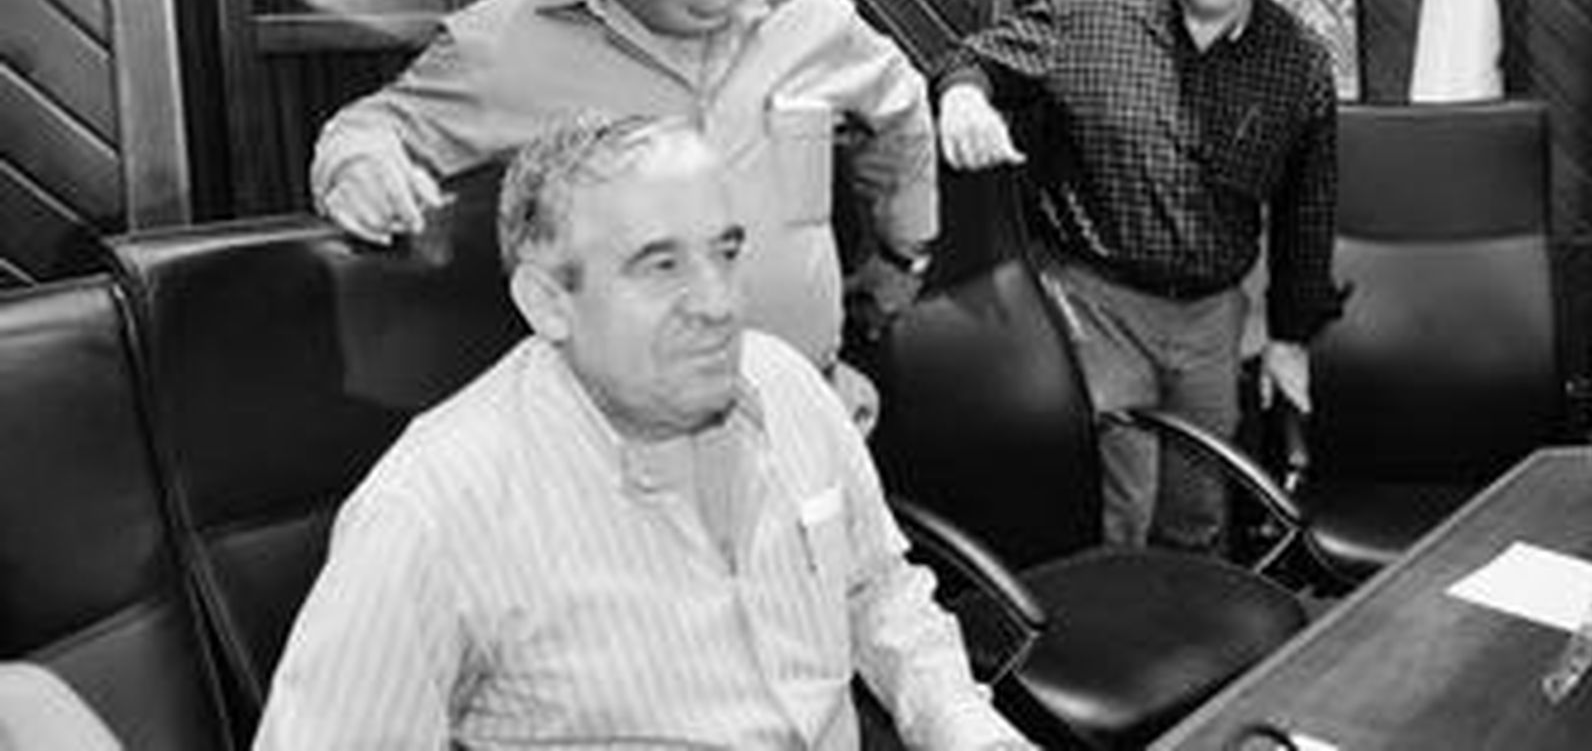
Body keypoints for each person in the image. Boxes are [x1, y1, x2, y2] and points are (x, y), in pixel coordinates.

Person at [254, 112, 1032, 750]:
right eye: (661, 266)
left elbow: (878, 592)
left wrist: (970, 732)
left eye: (726, 252)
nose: (720, 303)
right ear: (548, 302)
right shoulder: (429, 511)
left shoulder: (787, 382)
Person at [310, 0, 937, 431]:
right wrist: (358, 167)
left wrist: (902, 256)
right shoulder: (503, 44)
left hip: (807, 414)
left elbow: (902, 105)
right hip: (620, 445)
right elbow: (369, 126)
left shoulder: (815, 21)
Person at [935, 0, 1343, 552]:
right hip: (1093, 305)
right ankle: (1094, 618)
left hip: (1212, 320)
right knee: (1119, 506)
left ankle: (1196, 624)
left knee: (1198, 511)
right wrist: (964, 97)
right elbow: (968, 58)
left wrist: (1289, 338)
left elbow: (1307, 211)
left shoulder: (1301, 61)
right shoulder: (1085, 15)